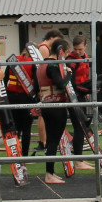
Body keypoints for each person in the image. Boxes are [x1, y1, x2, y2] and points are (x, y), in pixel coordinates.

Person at [35, 37, 70, 185]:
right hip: (55, 105)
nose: (67, 56)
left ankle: (51, 172)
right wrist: (69, 73)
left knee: (51, 140)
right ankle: (49, 173)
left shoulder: (41, 65)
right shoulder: (53, 66)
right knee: (53, 141)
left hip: (46, 105)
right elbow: (61, 84)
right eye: (66, 53)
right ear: (61, 51)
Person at [65, 34, 96, 170]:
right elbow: (71, 83)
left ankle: (80, 158)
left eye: (80, 49)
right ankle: (78, 161)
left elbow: (85, 76)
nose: (78, 52)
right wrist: (86, 90)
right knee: (79, 128)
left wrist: (87, 91)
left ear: (85, 47)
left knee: (82, 127)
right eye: (76, 49)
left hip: (82, 94)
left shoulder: (85, 57)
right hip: (73, 96)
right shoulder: (70, 60)